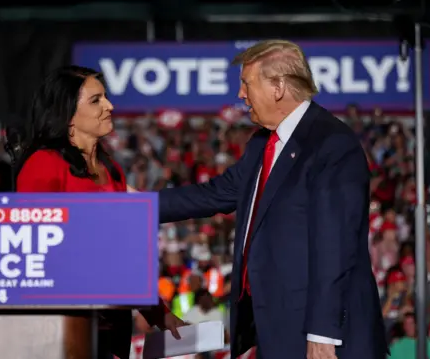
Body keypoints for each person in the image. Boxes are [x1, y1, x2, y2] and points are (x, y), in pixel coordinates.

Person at [154, 40, 387, 359]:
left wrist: (323, 333)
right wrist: (136, 205)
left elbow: (335, 247)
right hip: (277, 327)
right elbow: (214, 194)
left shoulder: (332, 145)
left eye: (246, 83)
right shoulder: (261, 145)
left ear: (278, 86)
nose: (240, 94)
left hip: (319, 335)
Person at [12, 65, 186, 359]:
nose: (110, 106)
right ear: (67, 114)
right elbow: (33, 252)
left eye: (105, 97)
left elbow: (123, 256)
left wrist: (159, 313)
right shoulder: (43, 165)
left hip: (114, 322)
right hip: (68, 324)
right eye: (96, 100)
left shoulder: (111, 169)